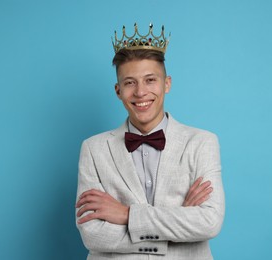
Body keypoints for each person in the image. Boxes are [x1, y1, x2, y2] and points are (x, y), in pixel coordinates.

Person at [75, 23, 225, 260]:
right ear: (118, 90)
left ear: (167, 84)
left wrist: (126, 215)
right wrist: (180, 220)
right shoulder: (93, 149)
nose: (140, 92)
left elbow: (209, 222)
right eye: (130, 82)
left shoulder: (202, 142)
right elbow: (93, 234)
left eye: (150, 80)